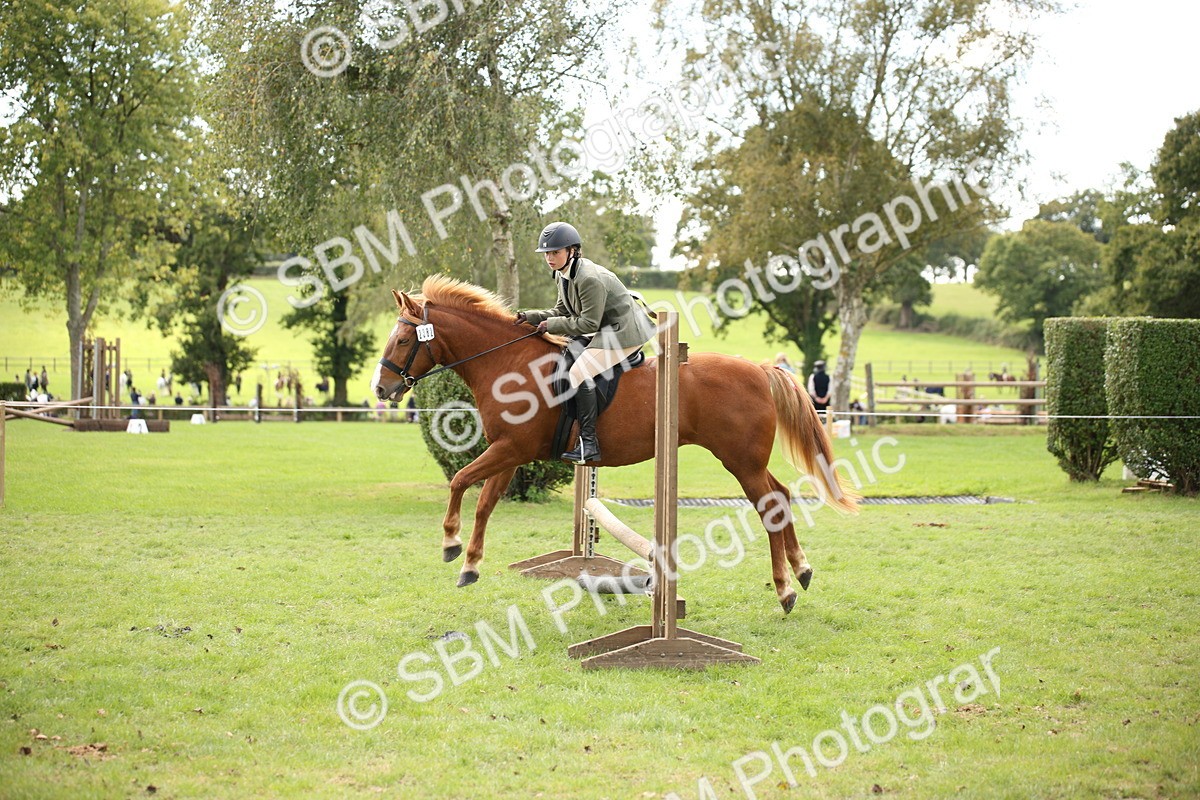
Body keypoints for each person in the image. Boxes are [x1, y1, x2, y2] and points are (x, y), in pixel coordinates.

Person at [514, 221, 657, 464]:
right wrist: (530, 316)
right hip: (604, 328)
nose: (549, 257)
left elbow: (588, 323)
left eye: (555, 252)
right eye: (547, 253)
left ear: (572, 251)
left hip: (624, 333)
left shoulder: (589, 278)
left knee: (579, 372)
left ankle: (588, 443)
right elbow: (561, 309)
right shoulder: (563, 274)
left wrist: (552, 326)